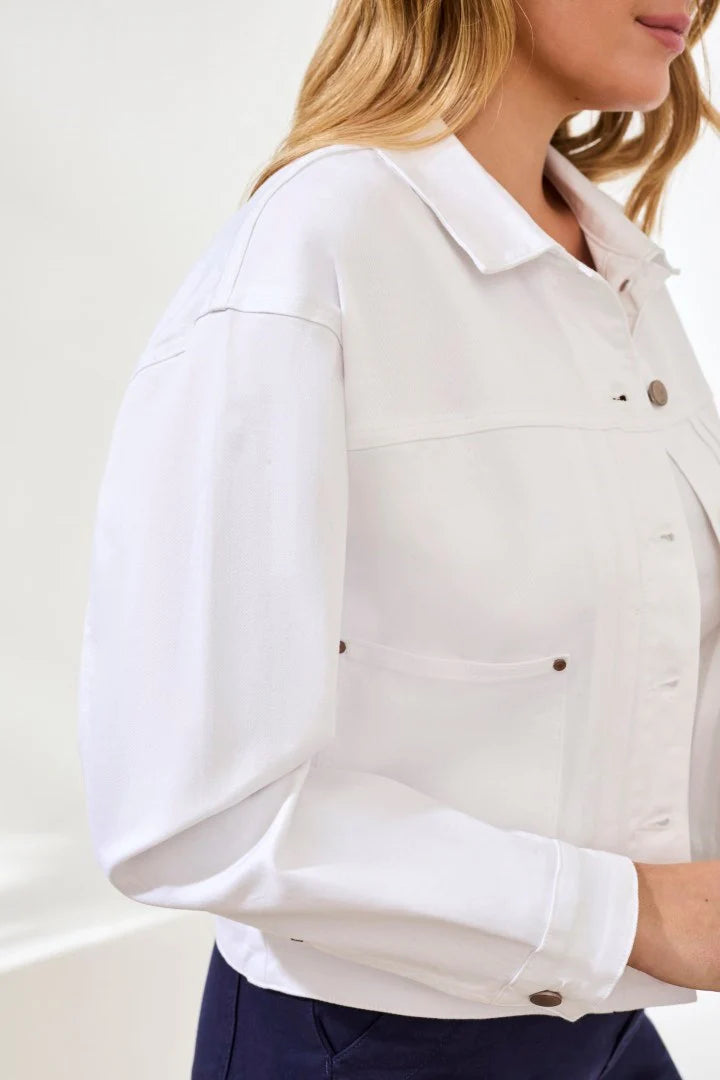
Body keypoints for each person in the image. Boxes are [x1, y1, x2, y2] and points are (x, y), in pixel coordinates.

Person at [76, 0, 720, 1076]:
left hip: (599, 1027)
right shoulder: (310, 258)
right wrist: (641, 915)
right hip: (372, 1045)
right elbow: (189, 810)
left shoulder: (612, 270)